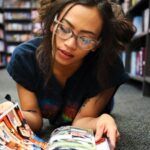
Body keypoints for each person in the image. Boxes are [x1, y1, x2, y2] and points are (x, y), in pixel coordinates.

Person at [2, 0, 135, 149]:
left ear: (97, 43)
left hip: (89, 110)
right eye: (64, 29)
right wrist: (11, 113)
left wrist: (101, 120)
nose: (70, 45)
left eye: (85, 39)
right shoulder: (25, 58)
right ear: (53, 23)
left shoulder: (109, 67)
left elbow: (81, 122)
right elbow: (33, 116)